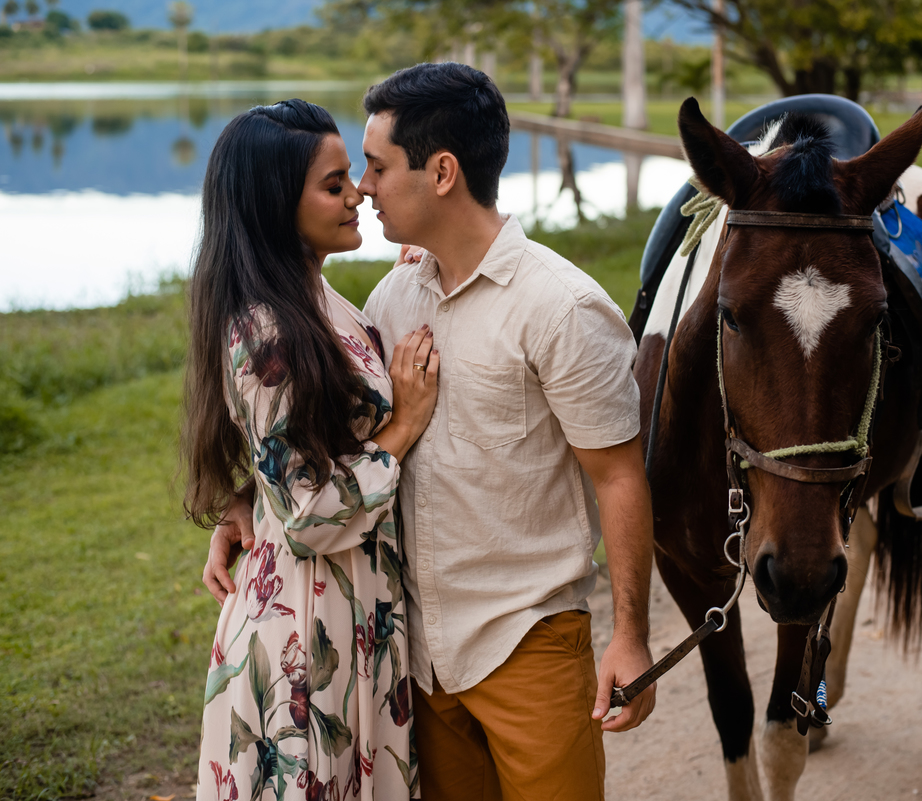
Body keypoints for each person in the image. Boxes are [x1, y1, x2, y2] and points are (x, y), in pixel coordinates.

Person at [206, 64, 657, 800]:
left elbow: (619, 475)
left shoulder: (562, 307)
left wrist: (631, 635)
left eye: (377, 167)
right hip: (412, 653)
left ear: (441, 171)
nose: (365, 188)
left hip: (526, 640)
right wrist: (246, 498)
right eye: (351, 175)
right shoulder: (390, 296)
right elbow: (311, 430)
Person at [184, 99, 438, 801]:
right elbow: (311, 510)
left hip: (352, 605)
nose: (357, 190)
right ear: (275, 206)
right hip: (307, 626)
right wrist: (404, 426)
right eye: (334, 184)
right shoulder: (264, 329)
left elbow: (295, 443)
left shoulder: (313, 294)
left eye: (351, 175)